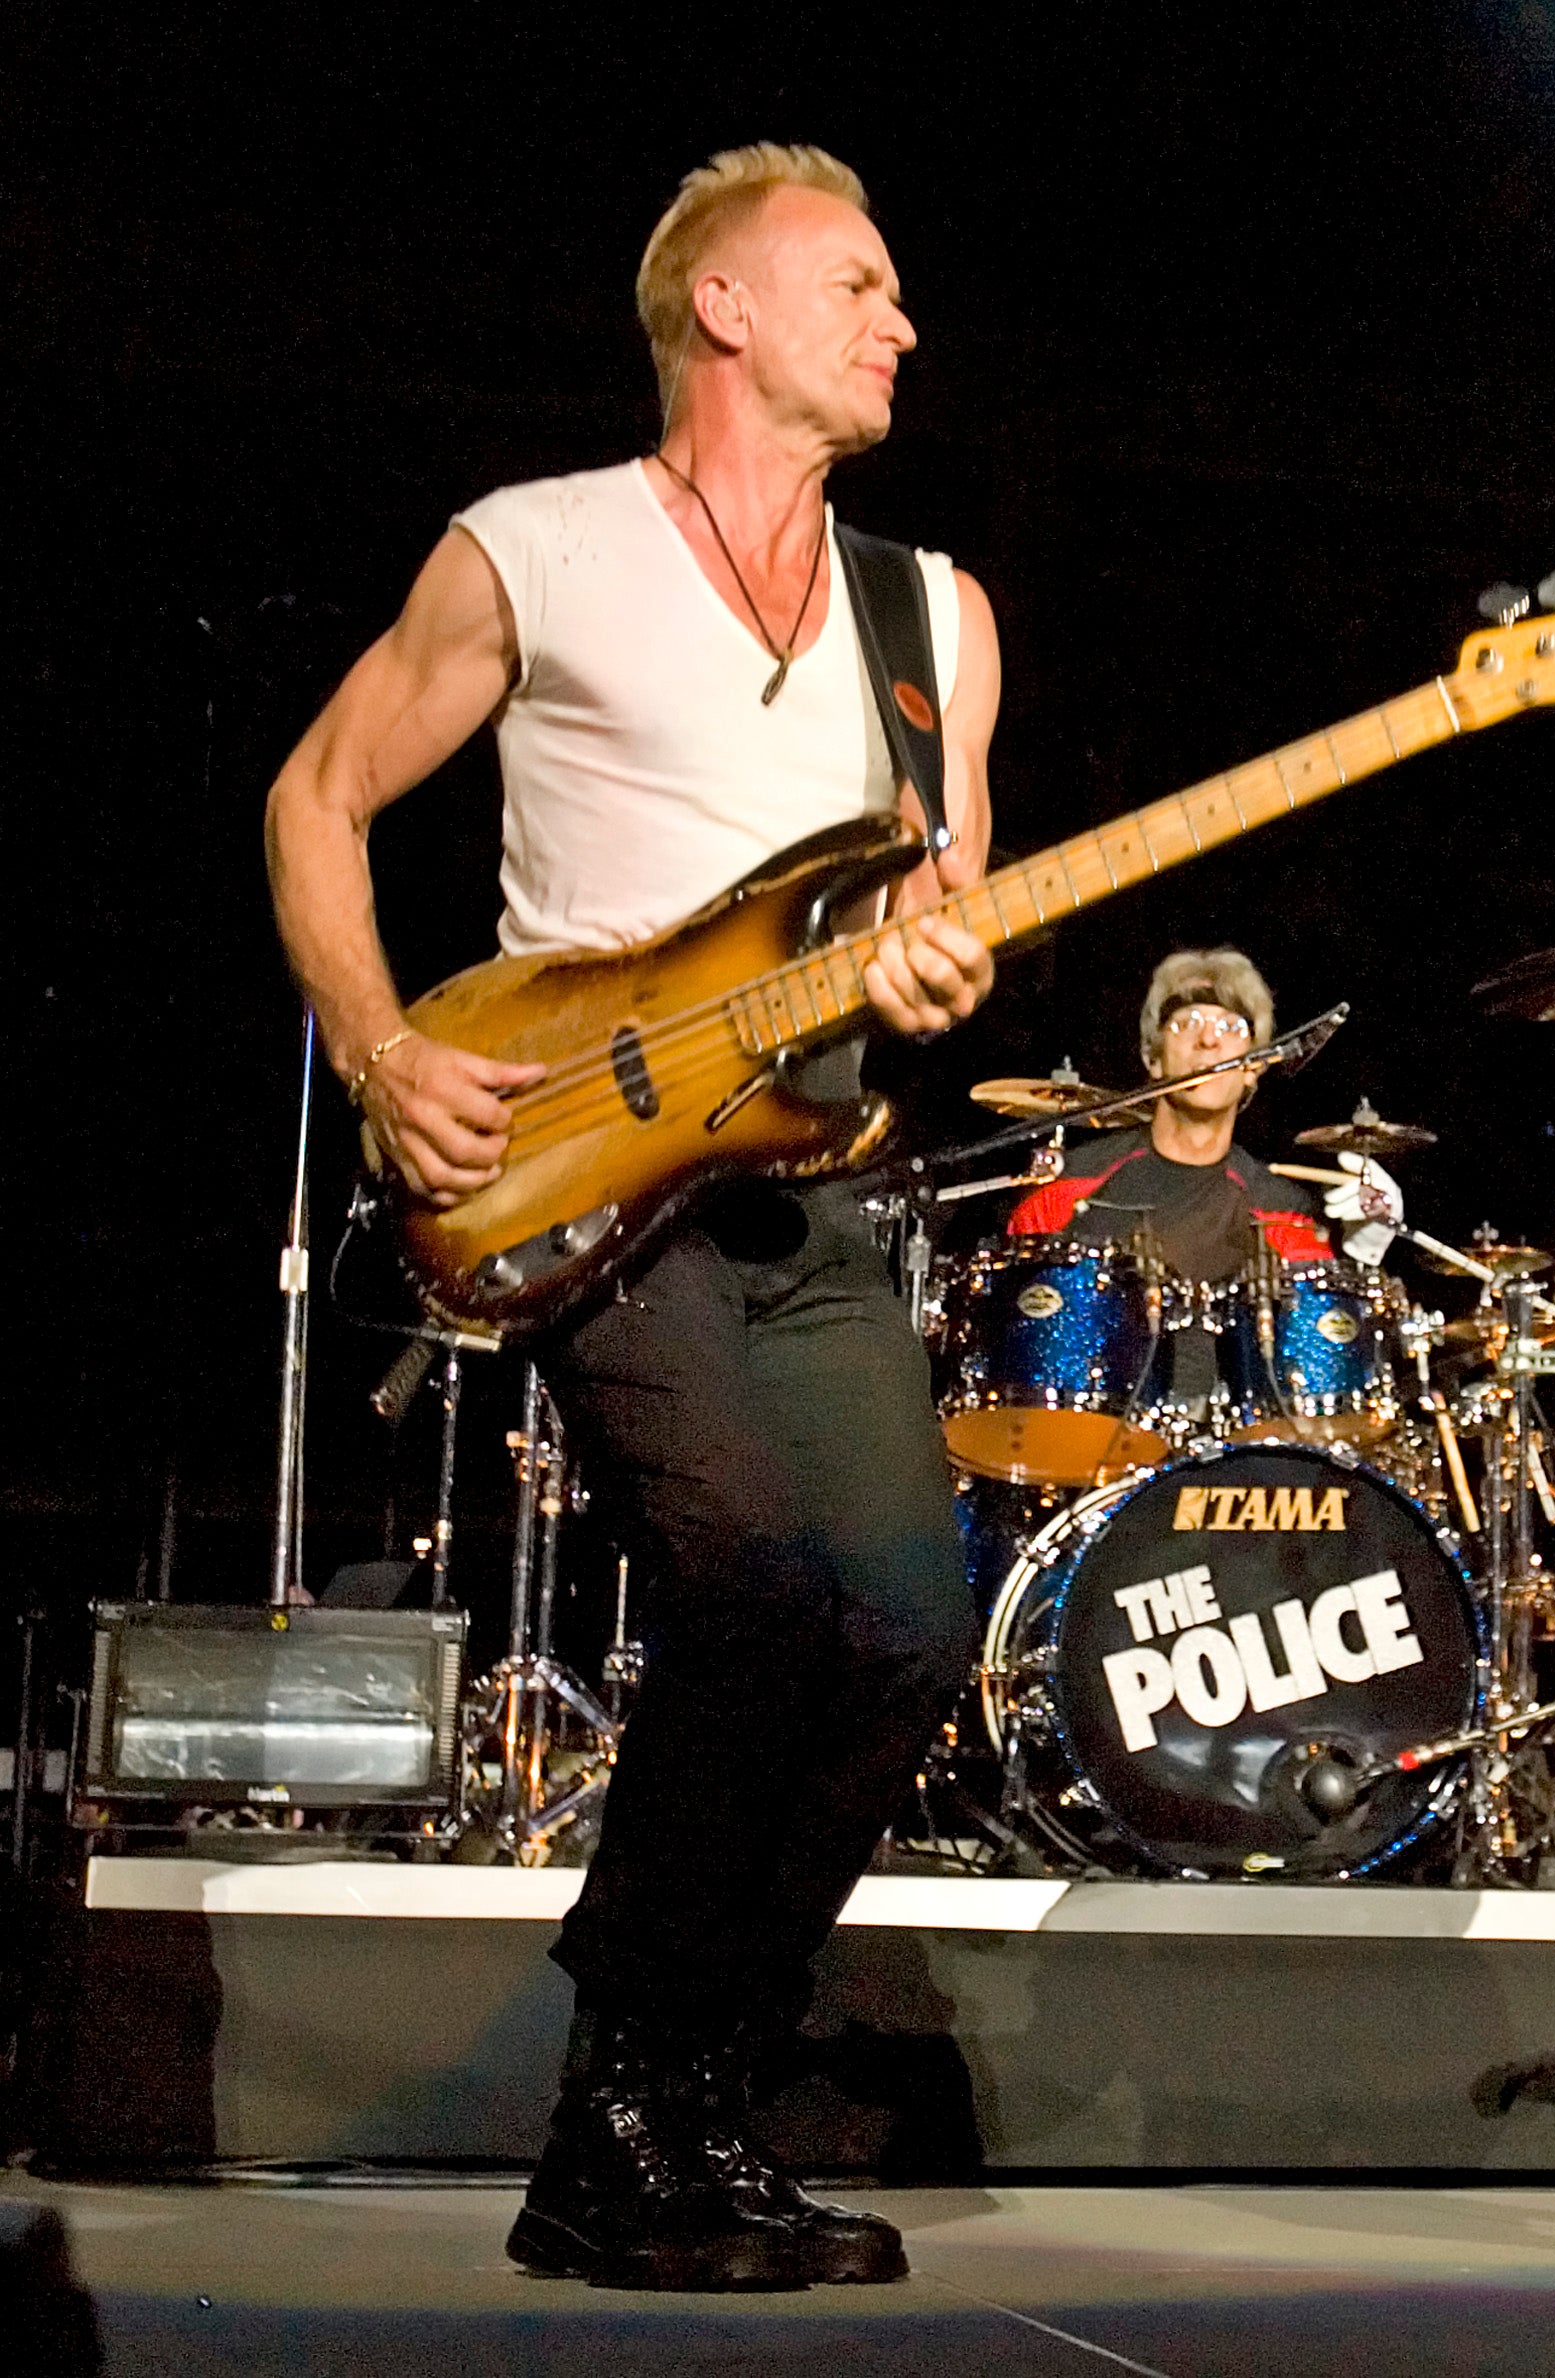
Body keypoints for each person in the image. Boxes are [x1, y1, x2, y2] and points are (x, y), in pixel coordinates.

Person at [265, 145, 1001, 2292]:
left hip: (821, 1187)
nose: (900, 320)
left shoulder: (932, 614)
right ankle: (620, 2125)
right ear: (729, 314)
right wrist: (386, 1052)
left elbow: (943, 908)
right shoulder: (540, 545)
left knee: (906, 1634)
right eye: (857, 283)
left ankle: (687, 2096)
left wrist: (949, 964)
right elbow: (318, 795)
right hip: (592, 1171)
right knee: (762, 1600)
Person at [1003, 946, 1402, 1300]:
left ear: (1253, 1068)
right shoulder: (1064, 1194)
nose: (1209, 1041)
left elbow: (1328, 1346)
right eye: (1187, 1022)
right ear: (1153, 1058)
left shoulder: (1285, 1214)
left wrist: (1362, 1256)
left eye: (1231, 1027)